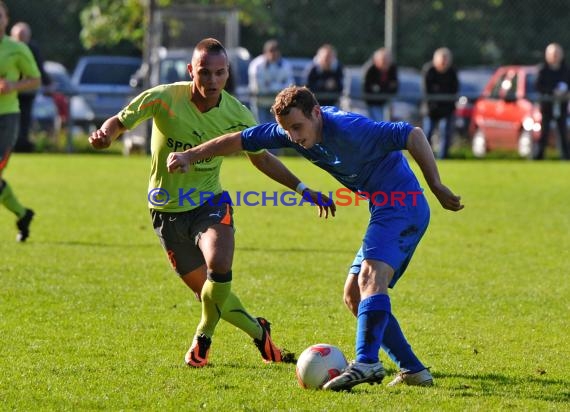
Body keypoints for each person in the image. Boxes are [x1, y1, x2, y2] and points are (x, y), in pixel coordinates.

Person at [167, 85, 464, 390]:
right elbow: (239, 140)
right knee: (354, 295)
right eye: (287, 130)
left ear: (316, 113)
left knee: (370, 278)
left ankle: (366, 362)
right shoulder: (292, 132)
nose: (294, 137)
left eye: (298, 127)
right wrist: (191, 154)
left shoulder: (351, 128)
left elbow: (412, 134)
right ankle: (413, 370)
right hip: (383, 207)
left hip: (403, 204)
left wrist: (437, 186)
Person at [88, 38, 334, 368]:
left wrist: (303, 189)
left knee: (219, 267)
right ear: (191, 70)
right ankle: (260, 333)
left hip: (210, 204)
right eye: (205, 73)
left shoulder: (236, 113)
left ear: (228, 73)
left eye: (220, 73)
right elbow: (119, 121)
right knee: (210, 293)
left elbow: (261, 159)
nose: (212, 81)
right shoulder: (164, 98)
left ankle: (203, 338)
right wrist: (106, 135)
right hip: (166, 212)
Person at [0, 1, 40, 242]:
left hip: (6, 118)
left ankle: (23, 215)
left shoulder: (17, 49)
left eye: (0, 15)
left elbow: (35, 79)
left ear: (6, 19)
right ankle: (23, 215)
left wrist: (13, 85)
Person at [10, 21, 52, 153]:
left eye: (24, 37)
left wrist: (48, 83)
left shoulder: (33, 48)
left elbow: (40, 68)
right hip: (9, 92)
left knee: (25, 119)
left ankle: (21, 143)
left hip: (27, 92)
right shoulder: (6, 47)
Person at [534, 42, 570, 160]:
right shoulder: (543, 70)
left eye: (557, 54)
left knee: (562, 131)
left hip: (562, 105)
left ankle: (566, 156)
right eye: (553, 54)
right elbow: (538, 87)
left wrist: (565, 93)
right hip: (547, 106)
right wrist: (551, 92)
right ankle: (539, 156)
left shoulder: (565, 70)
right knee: (544, 131)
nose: (555, 57)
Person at [421, 47, 459, 159]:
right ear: (435, 59)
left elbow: (454, 90)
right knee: (427, 133)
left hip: (447, 109)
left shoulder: (452, 72)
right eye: (441, 59)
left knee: (445, 132)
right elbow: (426, 91)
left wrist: (448, 105)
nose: (443, 62)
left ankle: (443, 157)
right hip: (431, 109)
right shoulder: (429, 70)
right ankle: (425, 157)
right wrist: (432, 105)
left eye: (446, 59)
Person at [248, 39, 294, 124]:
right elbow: (259, 87)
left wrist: (270, 85)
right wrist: (279, 86)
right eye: (271, 51)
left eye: (275, 51)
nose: (273, 54)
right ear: (265, 52)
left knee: (276, 129)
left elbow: (289, 86)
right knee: (260, 128)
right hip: (260, 103)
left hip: (278, 104)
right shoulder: (256, 65)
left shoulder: (286, 65)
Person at [362, 47, 398, 122]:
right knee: (378, 121)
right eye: (383, 61)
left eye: (387, 61)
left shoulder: (393, 68)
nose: (386, 64)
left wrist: (380, 89)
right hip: (373, 102)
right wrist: (384, 88)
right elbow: (367, 89)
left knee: (392, 120)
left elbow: (394, 87)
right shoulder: (370, 70)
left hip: (387, 100)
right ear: (376, 61)